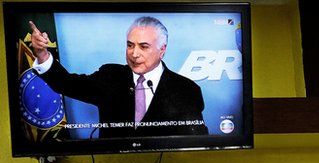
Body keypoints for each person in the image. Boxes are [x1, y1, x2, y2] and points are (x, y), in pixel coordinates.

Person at [28, 16, 208, 138]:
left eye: (143, 46)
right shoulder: (110, 76)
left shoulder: (186, 89)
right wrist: (42, 54)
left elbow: (196, 140)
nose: (134, 54)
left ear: (162, 49)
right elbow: (67, 84)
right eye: (130, 45)